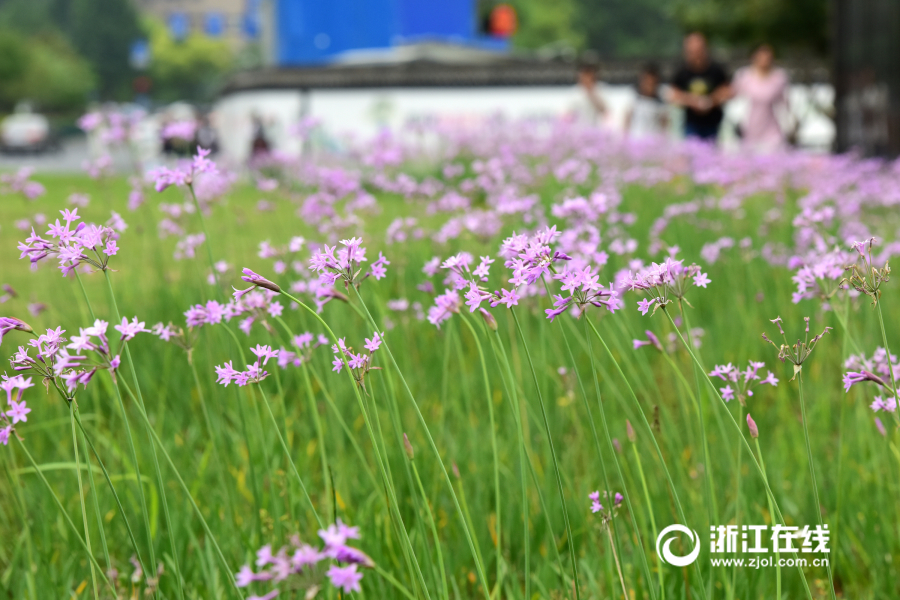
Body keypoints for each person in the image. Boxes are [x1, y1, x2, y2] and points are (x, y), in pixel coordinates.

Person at [670, 32, 732, 141]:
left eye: (698, 51)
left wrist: (711, 101)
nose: (696, 55)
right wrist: (692, 101)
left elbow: (727, 91)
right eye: (692, 51)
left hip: (714, 123)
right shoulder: (682, 72)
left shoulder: (716, 70)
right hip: (691, 124)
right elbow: (673, 94)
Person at [732, 44, 791, 152]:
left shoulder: (779, 77)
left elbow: (784, 102)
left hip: (772, 128)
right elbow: (735, 98)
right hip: (749, 127)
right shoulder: (744, 76)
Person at [625, 62, 669, 139]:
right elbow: (627, 120)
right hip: (636, 141)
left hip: (653, 142)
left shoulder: (661, 103)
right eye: (647, 82)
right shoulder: (634, 99)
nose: (649, 85)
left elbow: (664, 125)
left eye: (652, 83)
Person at [575, 54, 608, 125]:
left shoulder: (601, 90)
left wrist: (591, 92)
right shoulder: (574, 92)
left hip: (595, 131)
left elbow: (605, 110)